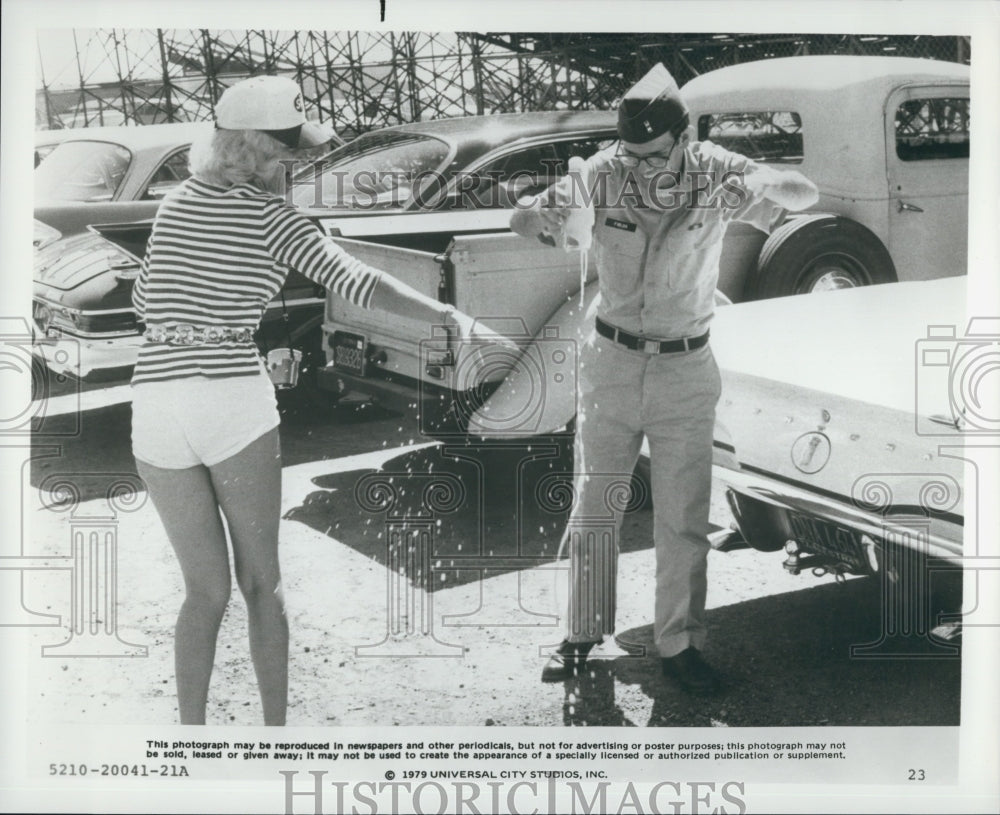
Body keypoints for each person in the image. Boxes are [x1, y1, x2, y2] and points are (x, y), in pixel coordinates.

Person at [130, 75, 493, 724]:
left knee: (204, 592)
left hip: (155, 406)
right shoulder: (273, 217)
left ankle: (190, 742)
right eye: (286, 153)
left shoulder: (176, 203)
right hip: (229, 402)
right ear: (259, 151)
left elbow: (143, 304)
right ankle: (274, 739)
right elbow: (355, 281)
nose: (292, 164)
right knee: (261, 584)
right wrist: (450, 319)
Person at [510, 64, 818, 693]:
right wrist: (540, 223)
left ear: (681, 141)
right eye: (631, 153)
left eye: (652, 155)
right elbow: (523, 221)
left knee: (681, 517)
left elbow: (803, 194)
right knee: (596, 504)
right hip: (612, 362)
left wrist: (764, 177)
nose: (640, 167)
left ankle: (679, 645)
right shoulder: (602, 171)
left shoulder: (716, 172)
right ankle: (581, 632)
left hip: (684, 367)